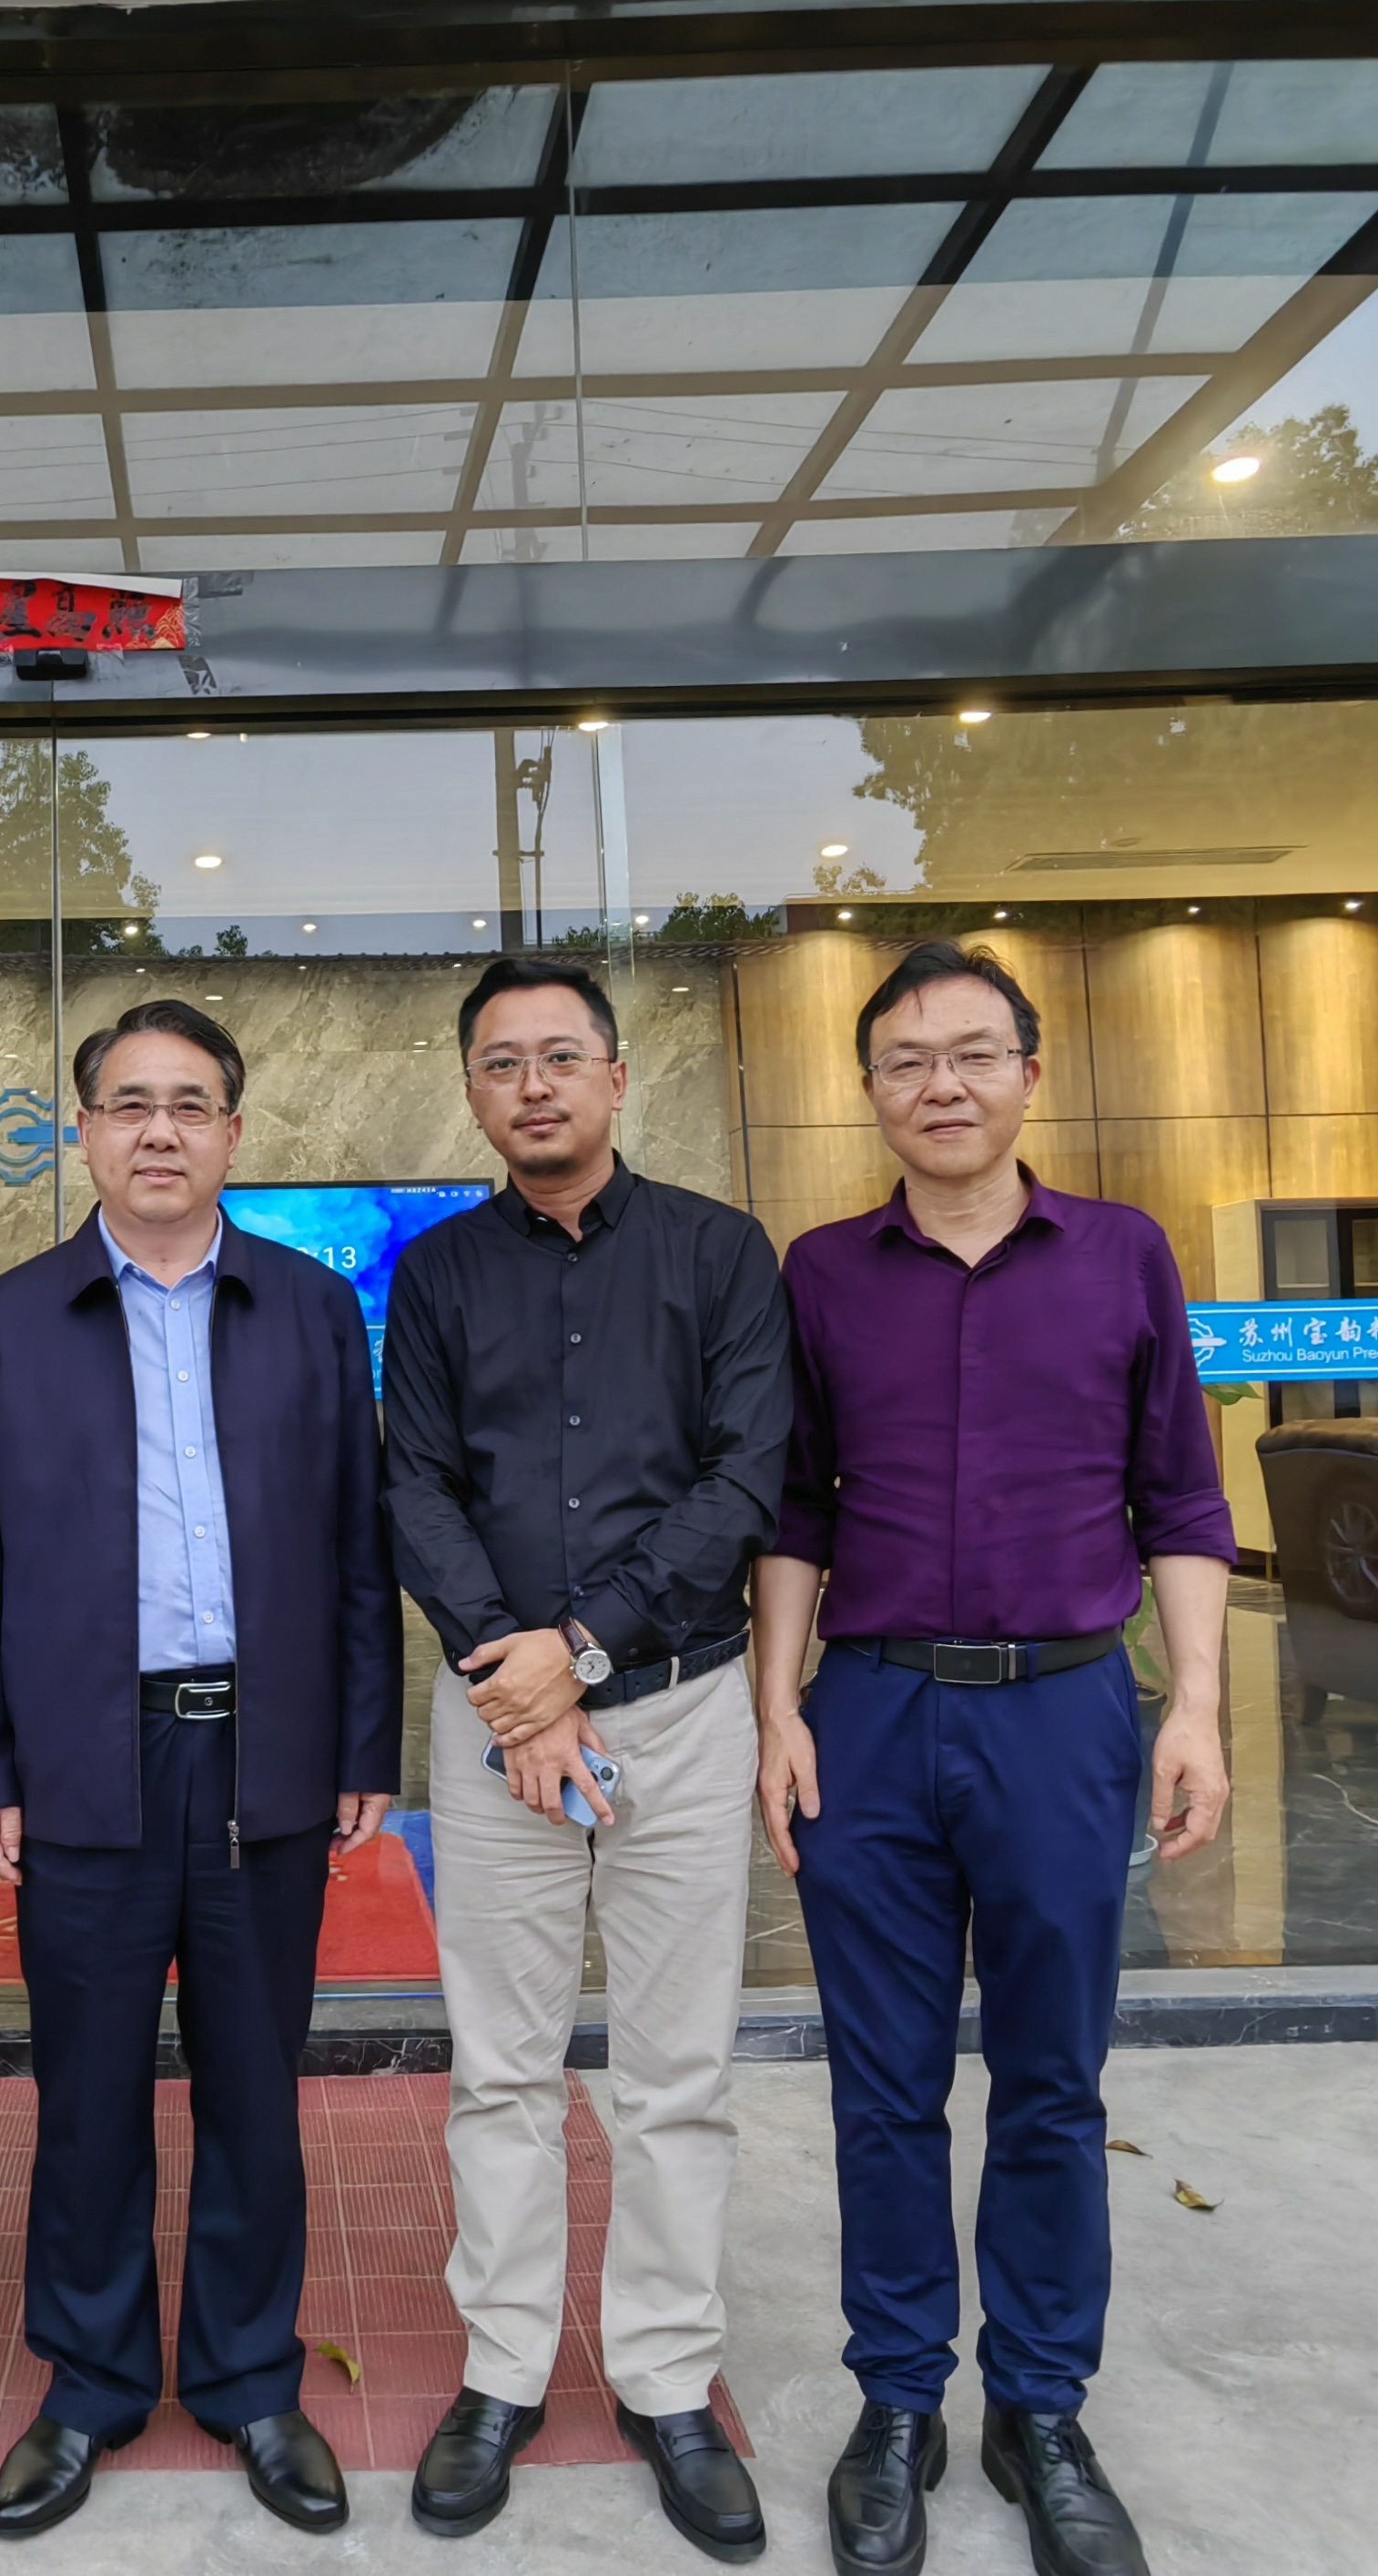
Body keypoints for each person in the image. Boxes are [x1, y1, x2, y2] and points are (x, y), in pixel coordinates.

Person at [750, 940, 1232, 2576]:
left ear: (1031, 1070)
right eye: (904, 1060)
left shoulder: (1123, 1254)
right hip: (873, 1715)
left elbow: (1182, 1498)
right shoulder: (823, 1271)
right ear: (869, 1089)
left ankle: (1039, 2405)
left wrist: (1196, 1707)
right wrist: (778, 1710)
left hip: (1063, 1714)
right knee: (884, 2086)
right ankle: (899, 2400)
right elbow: (795, 1509)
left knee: (1051, 2081)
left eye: (970, 1053)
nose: (939, 1085)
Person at [0, 998, 401, 2542]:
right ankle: (88, 2384)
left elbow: (357, 1545)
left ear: (234, 1132)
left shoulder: (311, 1308)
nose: (159, 1129)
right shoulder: (12, 1317)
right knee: (86, 2092)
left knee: (256, 2085)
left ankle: (251, 2377)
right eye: (129, 1102)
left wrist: (364, 1738)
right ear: (83, 1131)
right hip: (86, 1750)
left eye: (190, 1103)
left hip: (267, 1745)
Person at [380, 955, 792, 2556]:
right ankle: (501, 2370)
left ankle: (667, 2379)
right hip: (497, 1715)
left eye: (562, 1056)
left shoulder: (720, 1251)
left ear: (618, 1077)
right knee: (501, 2064)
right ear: (472, 1092)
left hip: (677, 1705)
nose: (534, 1084)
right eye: (503, 1062)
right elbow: (413, 1485)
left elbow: (743, 1477)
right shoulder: (436, 1275)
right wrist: (519, 1675)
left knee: (678, 2071)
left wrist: (585, 1650)